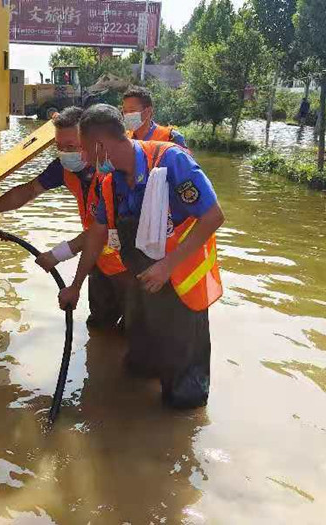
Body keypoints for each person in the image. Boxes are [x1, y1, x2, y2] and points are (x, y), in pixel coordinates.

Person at [59, 104, 225, 409]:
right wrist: (75, 286)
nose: (82, 158)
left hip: (181, 287)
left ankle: (174, 446)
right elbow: (96, 235)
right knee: (138, 370)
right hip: (145, 288)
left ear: (100, 145)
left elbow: (213, 217)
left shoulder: (170, 161)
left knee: (182, 396)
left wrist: (166, 266)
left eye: (84, 149)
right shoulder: (111, 182)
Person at [0, 106, 127, 328]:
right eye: (59, 147)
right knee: (99, 327)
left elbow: (102, 229)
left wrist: (57, 255)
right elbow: (28, 191)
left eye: (71, 146)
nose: (65, 153)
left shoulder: (113, 174)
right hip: (99, 260)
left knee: (134, 333)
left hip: (131, 266)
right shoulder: (64, 168)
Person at [121, 86, 188, 149]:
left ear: (148, 111)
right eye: (125, 111)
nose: (127, 114)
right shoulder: (124, 138)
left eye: (132, 110)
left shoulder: (171, 137)